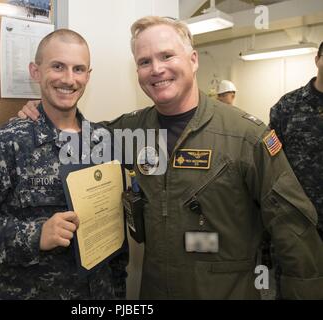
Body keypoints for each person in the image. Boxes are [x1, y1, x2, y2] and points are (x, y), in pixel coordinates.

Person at [19, 17, 323, 299]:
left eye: (167, 56)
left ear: (193, 60)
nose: (156, 69)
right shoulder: (131, 130)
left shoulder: (245, 136)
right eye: (144, 61)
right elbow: (79, 136)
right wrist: (44, 109)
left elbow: (295, 234)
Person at [0, 29, 128, 300]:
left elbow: (115, 234)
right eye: (57, 66)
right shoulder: (9, 143)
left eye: (79, 69)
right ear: (35, 71)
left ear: (88, 76)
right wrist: (34, 234)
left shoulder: (103, 142)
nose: (68, 79)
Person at [269, 41, 323, 299]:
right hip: (297, 222)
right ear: (317, 59)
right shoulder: (287, 107)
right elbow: (270, 162)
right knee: (297, 289)